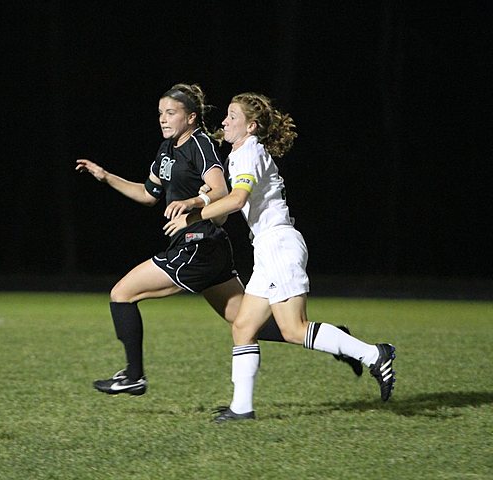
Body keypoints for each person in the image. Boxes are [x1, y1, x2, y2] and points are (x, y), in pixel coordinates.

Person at [76, 83, 362, 397]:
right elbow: (147, 195)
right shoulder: (167, 149)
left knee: (122, 294)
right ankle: (337, 341)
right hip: (207, 248)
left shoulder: (199, 144)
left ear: (191, 117)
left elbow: (220, 191)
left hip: (199, 244)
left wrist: (193, 204)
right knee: (245, 323)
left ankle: (133, 376)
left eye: (171, 112)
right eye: (160, 113)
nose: (163, 118)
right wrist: (106, 177)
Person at [164, 92, 396, 422]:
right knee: (243, 326)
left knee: (293, 329)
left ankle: (374, 354)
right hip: (269, 247)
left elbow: (235, 200)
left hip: (278, 247)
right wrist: (195, 203)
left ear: (251, 125)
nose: (225, 122)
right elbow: (230, 197)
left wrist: (192, 215)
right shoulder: (243, 153)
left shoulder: (247, 153)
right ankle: (241, 409)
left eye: (232, 117)